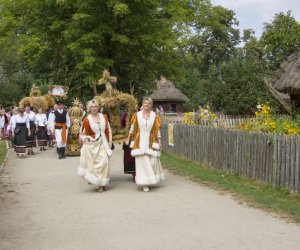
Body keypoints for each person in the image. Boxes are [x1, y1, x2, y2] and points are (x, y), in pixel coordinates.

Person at [125, 97, 164, 192]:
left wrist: (159, 141)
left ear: (151, 105)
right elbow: (132, 127)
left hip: (151, 141)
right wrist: (128, 138)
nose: (147, 105)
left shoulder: (155, 116)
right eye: (145, 103)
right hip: (139, 141)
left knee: (153, 161)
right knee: (142, 162)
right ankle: (144, 183)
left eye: (149, 103)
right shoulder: (137, 115)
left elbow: (157, 130)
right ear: (143, 104)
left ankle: (151, 178)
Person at [78, 100, 113, 193]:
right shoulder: (86, 120)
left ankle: (104, 182)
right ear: (89, 108)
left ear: (98, 107)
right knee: (97, 165)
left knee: (105, 162)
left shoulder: (104, 117)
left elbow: (108, 130)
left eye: (95, 106)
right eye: (92, 107)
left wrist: (110, 142)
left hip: (104, 143)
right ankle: (99, 184)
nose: (94, 108)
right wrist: (88, 139)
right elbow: (83, 133)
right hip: (93, 145)